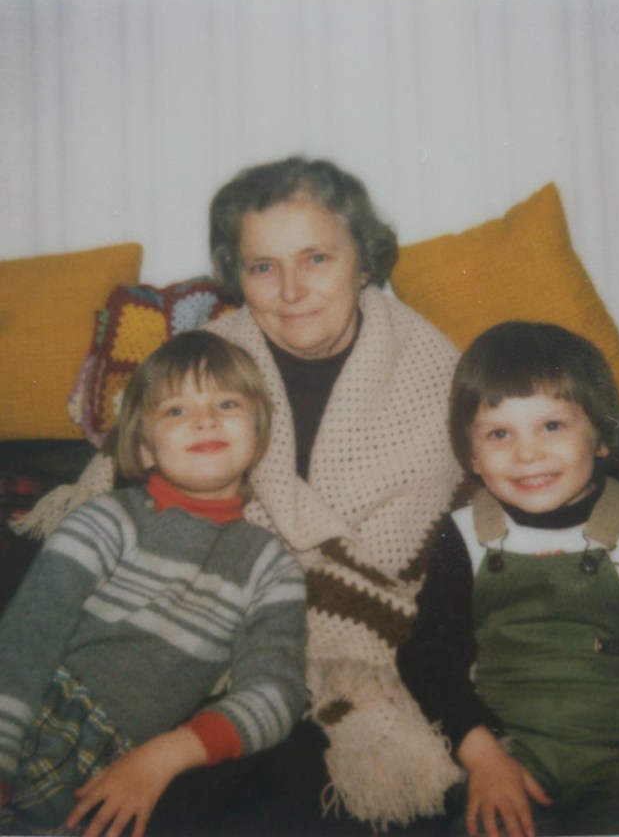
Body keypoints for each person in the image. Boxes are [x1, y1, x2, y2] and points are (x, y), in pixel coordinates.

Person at [14, 156, 464, 832]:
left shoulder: (432, 375)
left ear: (364, 261)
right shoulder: (203, 358)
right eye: (263, 267)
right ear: (238, 275)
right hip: (168, 627)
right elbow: (109, 499)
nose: (291, 290)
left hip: (336, 658)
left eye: (316, 258)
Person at [0, 330, 308, 837]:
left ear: (258, 433)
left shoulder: (271, 569)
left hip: (126, 769)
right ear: (144, 448)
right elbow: (25, 643)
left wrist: (167, 755)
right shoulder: (104, 520)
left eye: (227, 404)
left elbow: (278, 694)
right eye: (176, 410)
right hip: (27, 717)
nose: (205, 420)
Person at [397, 321, 619, 837]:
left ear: (602, 437)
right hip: (514, 757)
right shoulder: (463, 535)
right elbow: (429, 655)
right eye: (499, 433)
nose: (527, 453)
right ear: (471, 455)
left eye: (552, 426)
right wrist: (482, 755)